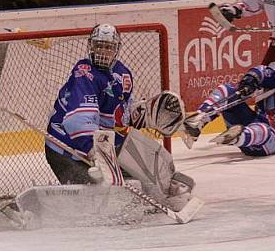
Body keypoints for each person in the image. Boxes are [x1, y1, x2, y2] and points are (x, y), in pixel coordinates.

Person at [45, 23, 185, 186]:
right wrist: (94, 150)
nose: (103, 51)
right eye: (99, 46)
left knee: (138, 183)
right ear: (91, 46)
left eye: (108, 47)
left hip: (101, 146)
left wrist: (143, 115)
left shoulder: (122, 74)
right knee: (95, 197)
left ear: (116, 49)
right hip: (65, 149)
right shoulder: (84, 74)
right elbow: (77, 121)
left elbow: (120, 115)